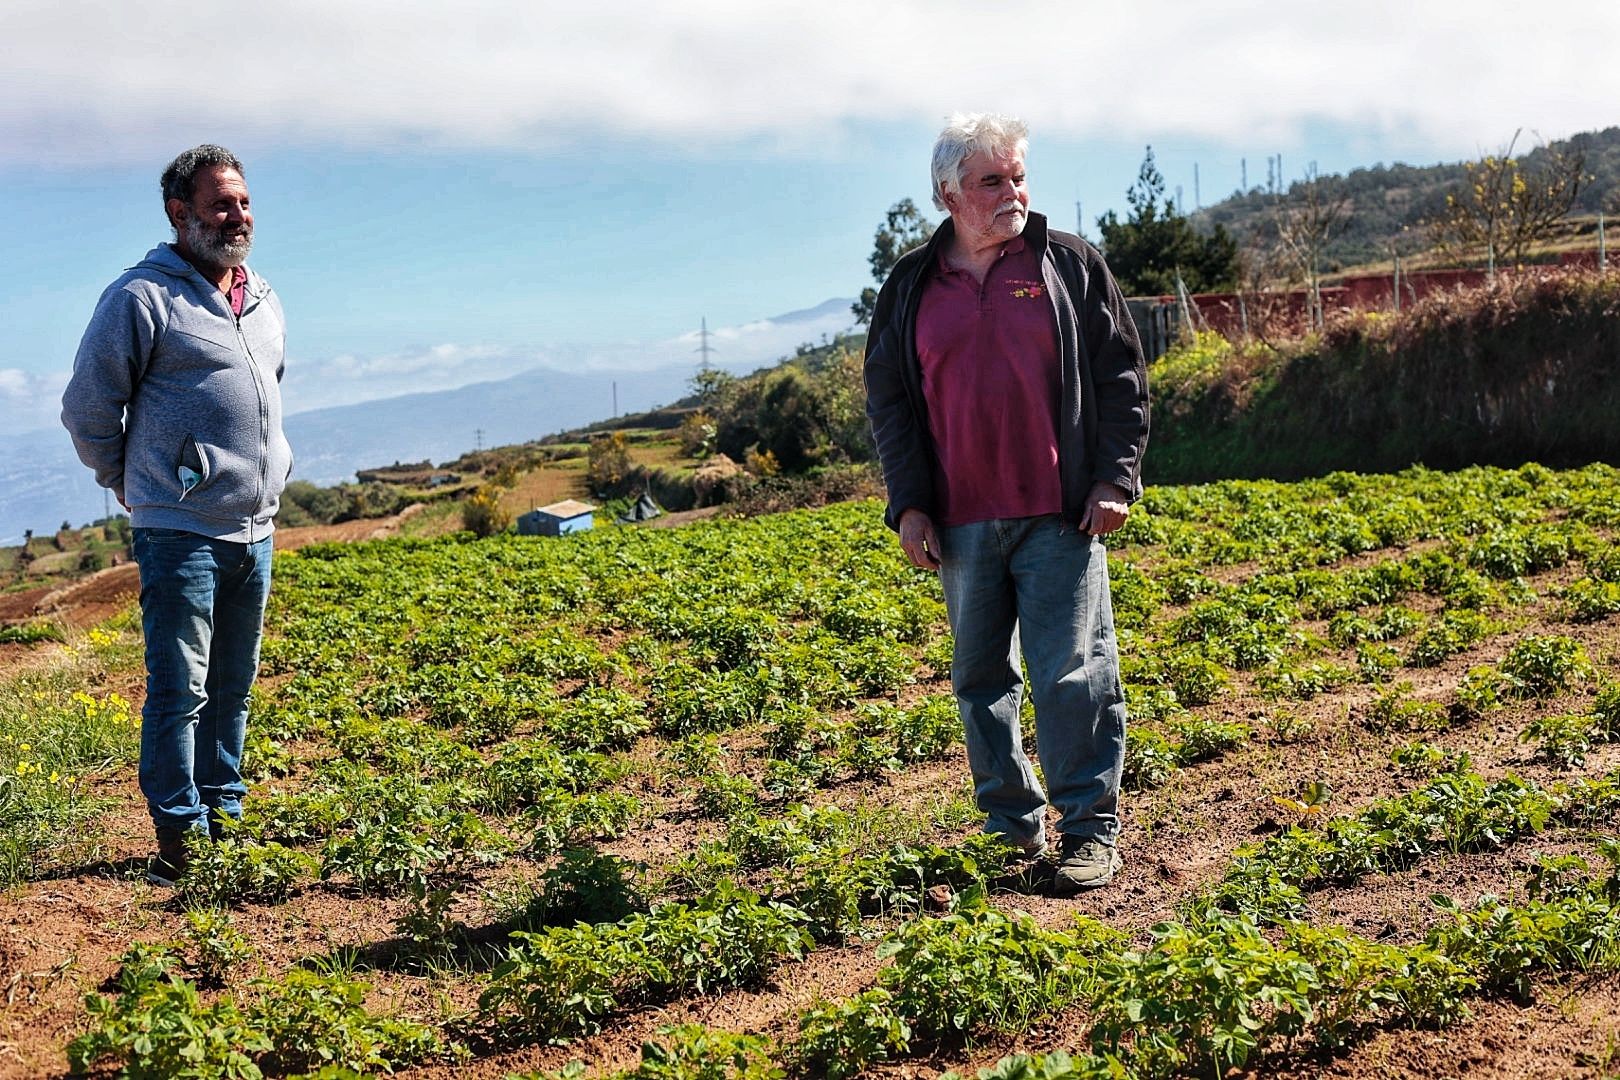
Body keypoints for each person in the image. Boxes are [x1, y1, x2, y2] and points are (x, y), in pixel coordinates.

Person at [863, 113, 1149, 895]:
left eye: (1018, 176)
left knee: (1073, 676)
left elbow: (1123, 379)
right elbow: (889, 400)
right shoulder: (911, 287)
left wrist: (1115, 479)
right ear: (950, 193)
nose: (1012, 193)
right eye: (993, 180)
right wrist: (910, 504)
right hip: (961, 523)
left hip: (1060, 514)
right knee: (981, 681)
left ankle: (1089, 832)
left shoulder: (1067, 266)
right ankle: (1010, 832)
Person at [62, 145, 292, 886]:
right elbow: (89, 405)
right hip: (180, 532)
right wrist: (126, 479)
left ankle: (225, 818)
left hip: (255, 527)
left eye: (244, 202)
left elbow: (265, 390)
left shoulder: (262, 296)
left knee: (233, 686)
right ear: (180, 213)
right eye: (222, 203)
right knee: (180, 690)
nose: (238, 216)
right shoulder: (141, 297)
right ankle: (180, 841)